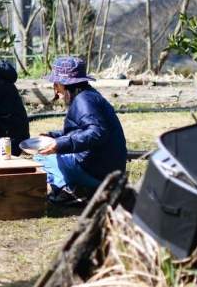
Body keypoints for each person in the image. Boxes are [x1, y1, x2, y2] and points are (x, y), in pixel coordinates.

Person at [34, 55, 127, 203]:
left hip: (99, 172)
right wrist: (53, 136)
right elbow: (80, 131)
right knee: (48, 151)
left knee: (40, 158)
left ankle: (70, 190)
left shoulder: (83, 101)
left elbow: (97, 133)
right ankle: (78, 188)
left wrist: (59, 144)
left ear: (64, 84)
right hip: (108, 168)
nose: (55, 90)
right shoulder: (88, 95)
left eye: (56, 84)